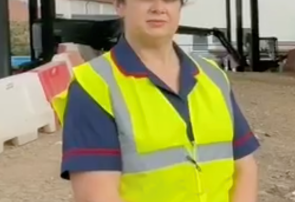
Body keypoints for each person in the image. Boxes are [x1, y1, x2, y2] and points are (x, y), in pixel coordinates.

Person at [53, 0, 260, 201]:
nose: (158, 8)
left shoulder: (212, 77)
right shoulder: (94, 85)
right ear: (119, 5)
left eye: (169, 0)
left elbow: (244, 167)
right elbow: (97, 195)